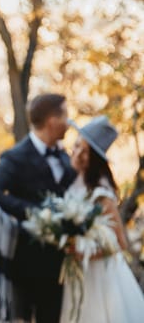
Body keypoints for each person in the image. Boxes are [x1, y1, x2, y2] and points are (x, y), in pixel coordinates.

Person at [0, 93, 77, 323]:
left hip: (62, 263)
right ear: (52, 120)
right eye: (65, 115)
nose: (69, 122)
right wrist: (33, 212)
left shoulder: (64, 156)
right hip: (26, 262)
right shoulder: (16, 157)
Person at [60, 115, 144, 323]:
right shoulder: (71, 183)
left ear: (95, 159)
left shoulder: (101, 193)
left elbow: (121, 243)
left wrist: (87, 252)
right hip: (77, 274)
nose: (78, 153)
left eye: (85, 151)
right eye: (77, 145)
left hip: (101, 276)